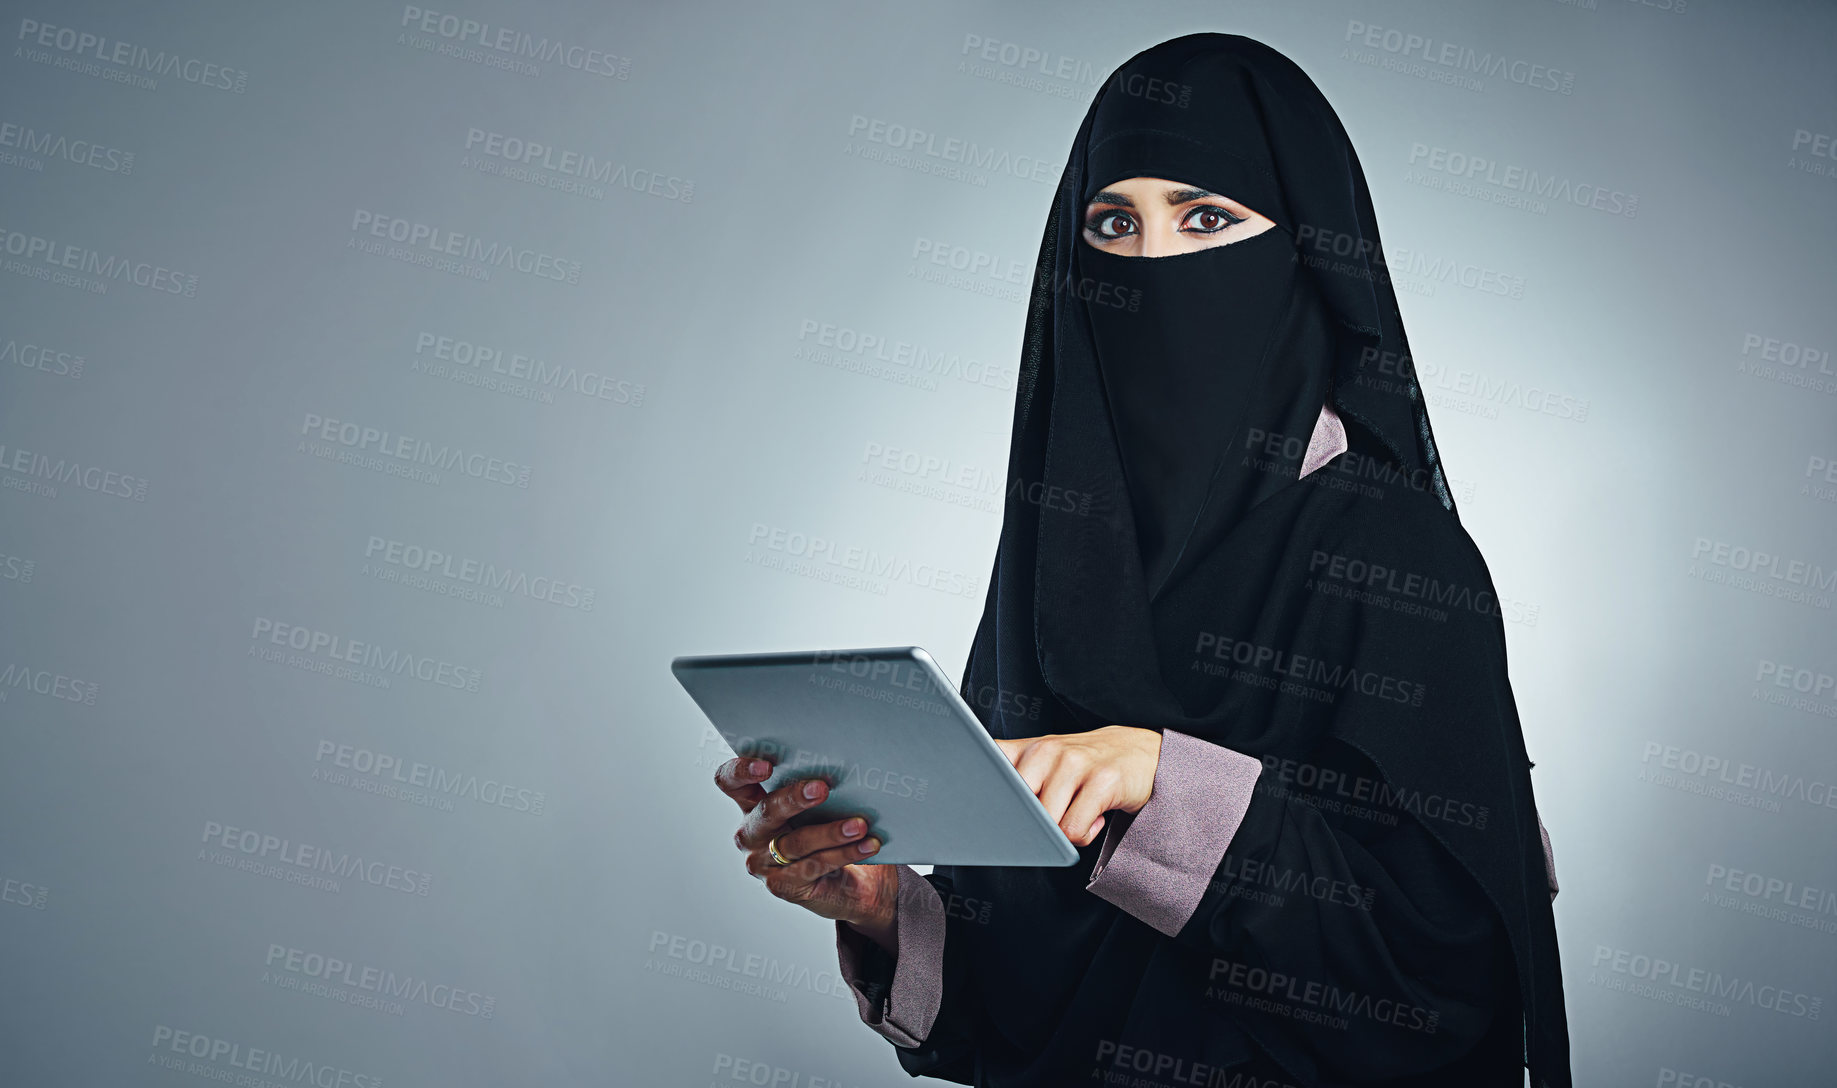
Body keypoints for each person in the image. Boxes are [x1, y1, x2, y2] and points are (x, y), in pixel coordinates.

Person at [713, 32, 1570, 1088]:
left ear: (1301, 250)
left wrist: (1164, 779)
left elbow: (1447, 984)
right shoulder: (1062, 561)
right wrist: (888, 908)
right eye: (1112, 223)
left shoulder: (1395, 557)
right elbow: (1045, 1002)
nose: (1151, 262)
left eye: (1205, 217)